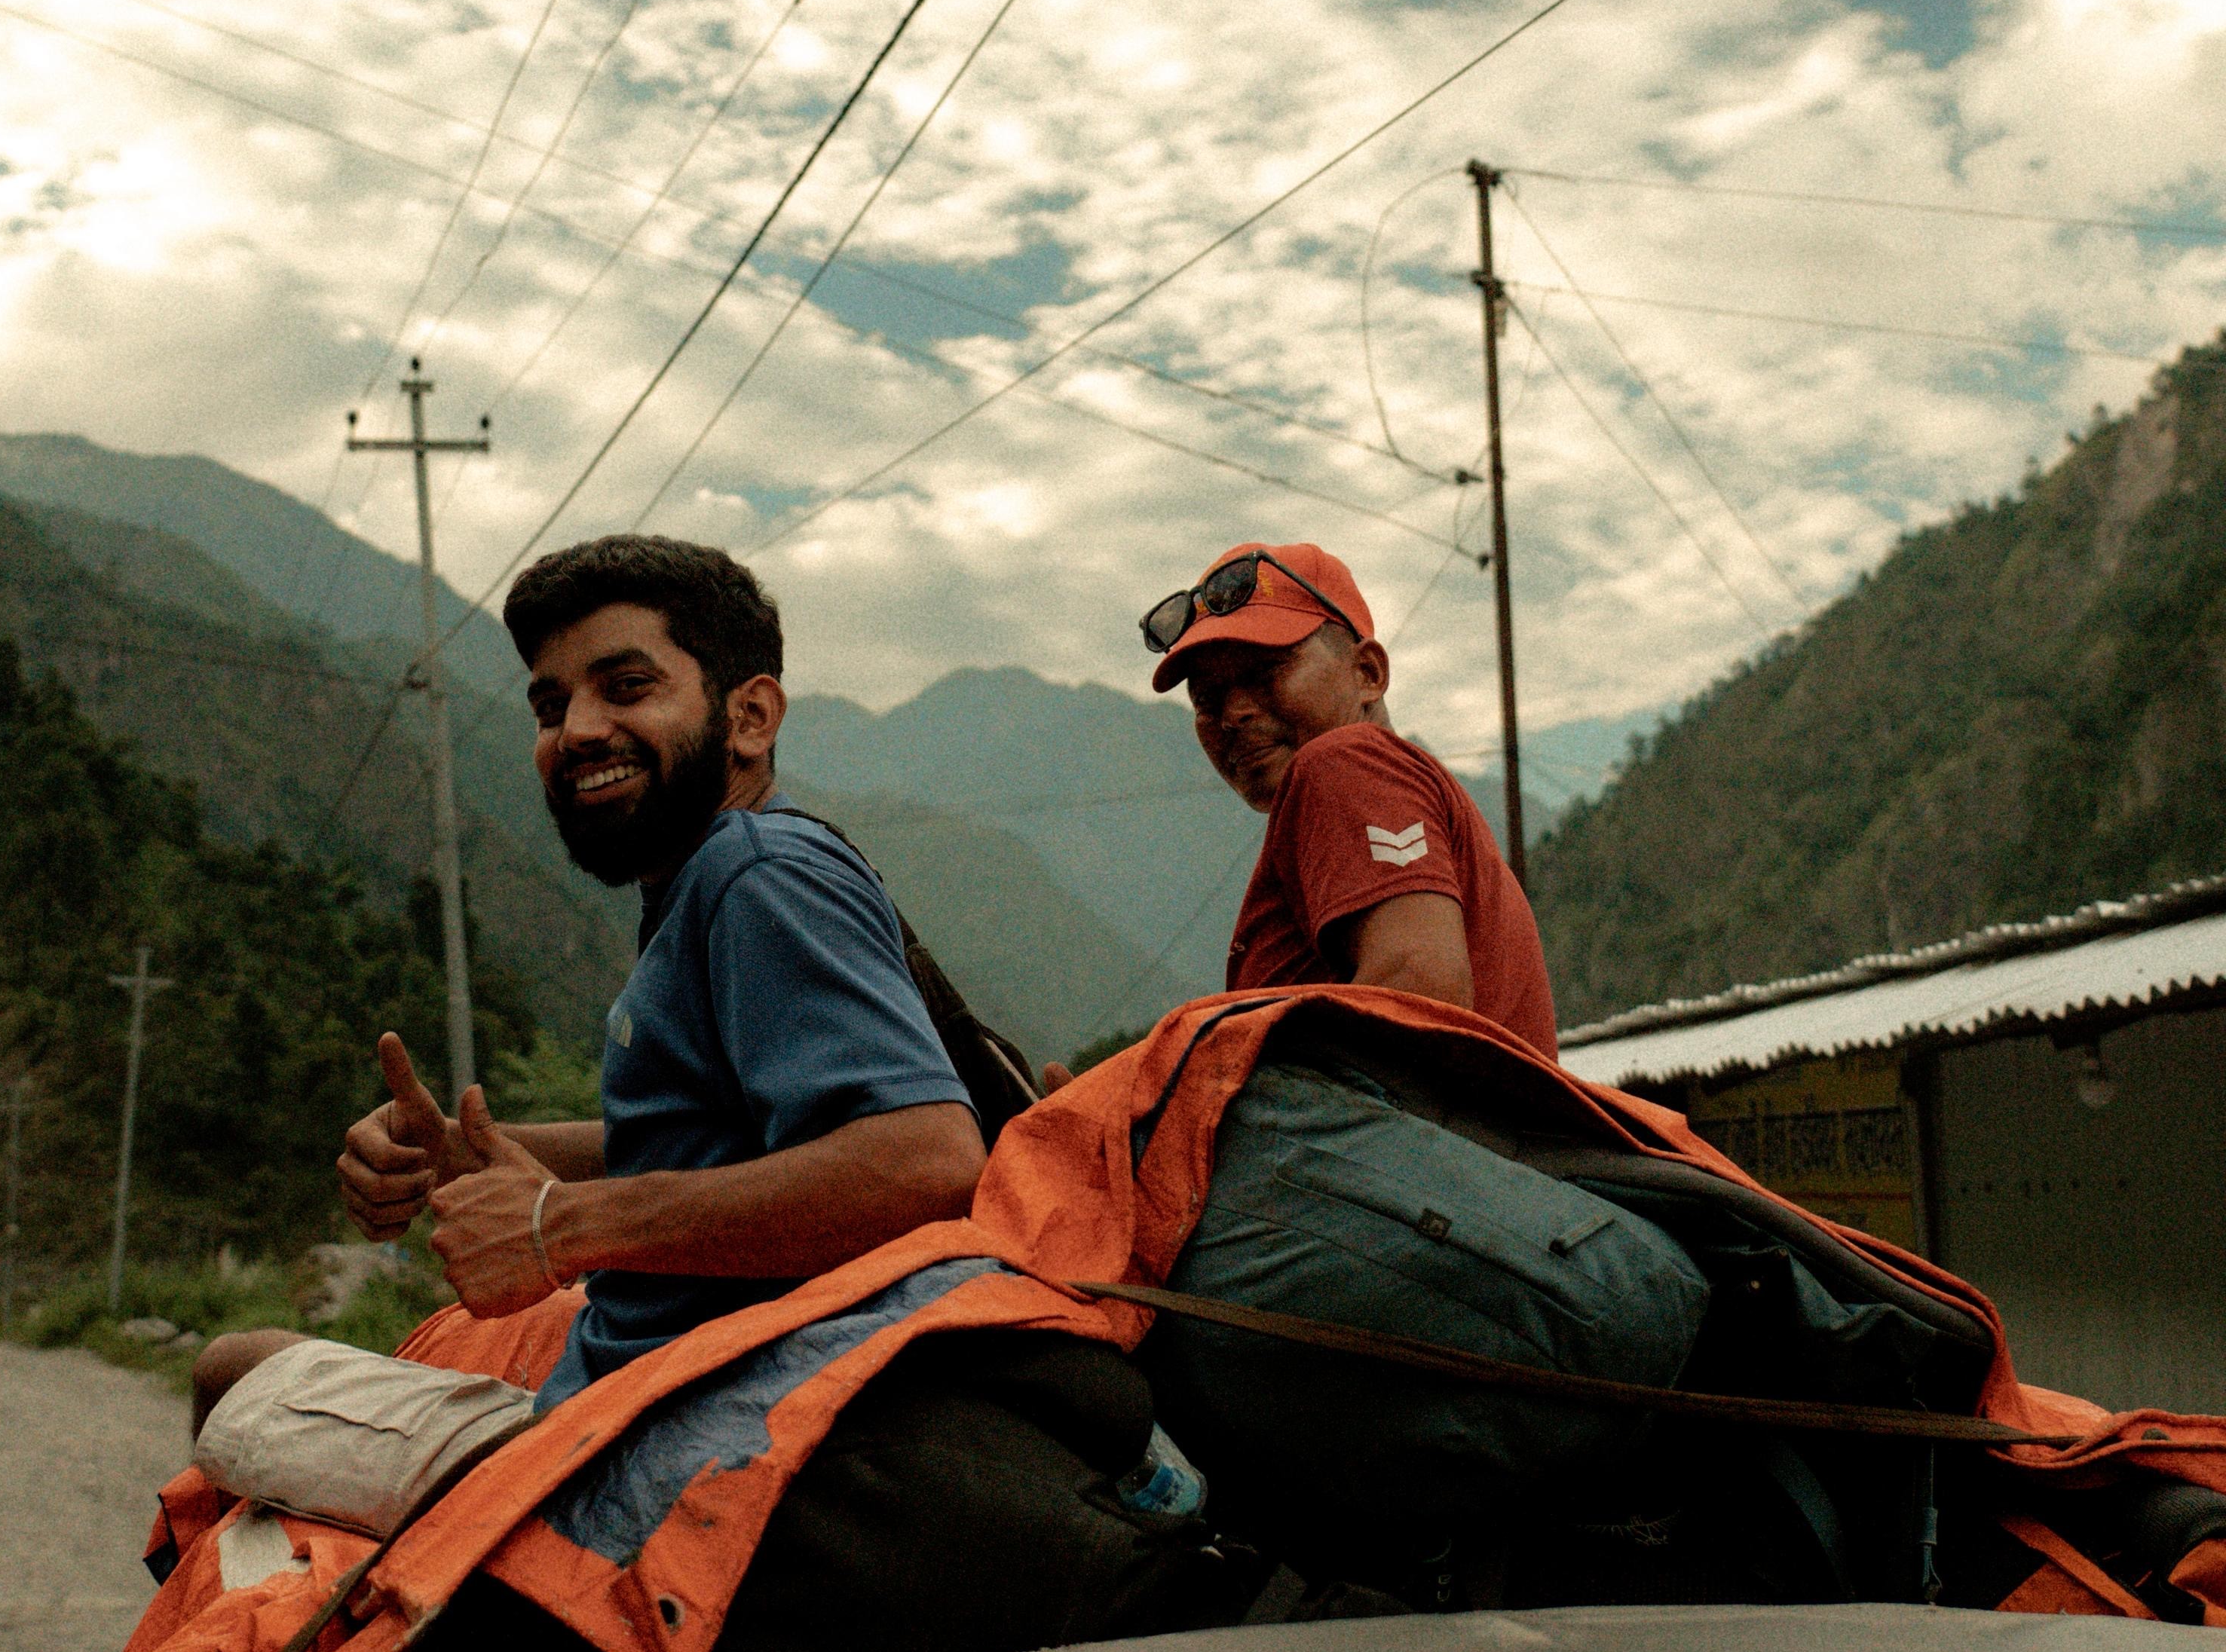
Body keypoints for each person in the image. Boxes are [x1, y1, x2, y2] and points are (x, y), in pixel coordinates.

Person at [193, 534, 984, 1430]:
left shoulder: (756, 871)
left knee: (235, 1372)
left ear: (750, 717)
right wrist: (461, 1149)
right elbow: (709, 1144)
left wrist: (559, 1225)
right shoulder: (706, 885)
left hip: (670, 1432)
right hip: (650, 1394)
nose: (576, 730)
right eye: (549, 704)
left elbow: (927, 1162)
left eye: (627, 686)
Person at [1141, 538, 1557, 1060]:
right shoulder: (1390, 785)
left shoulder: (1344, 759)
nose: (1234, 713)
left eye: (1266, 672)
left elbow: (1422, 994)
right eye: (1207, 700)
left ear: (1368, 674)